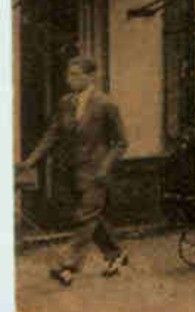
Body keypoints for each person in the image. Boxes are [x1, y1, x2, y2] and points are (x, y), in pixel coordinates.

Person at [18, 57, 129, 286]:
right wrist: (31, 160)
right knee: (89, 217)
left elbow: (121, 143)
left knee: (85, 217)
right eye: (69, 75)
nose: (71, 80)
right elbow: (53, 134)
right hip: (70, 171)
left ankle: (68, 266)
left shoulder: (106, 104)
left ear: (91, 77)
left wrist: (105, 167)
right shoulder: (65, 103)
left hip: (96, 173)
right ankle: (115, 254)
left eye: (77, 75)